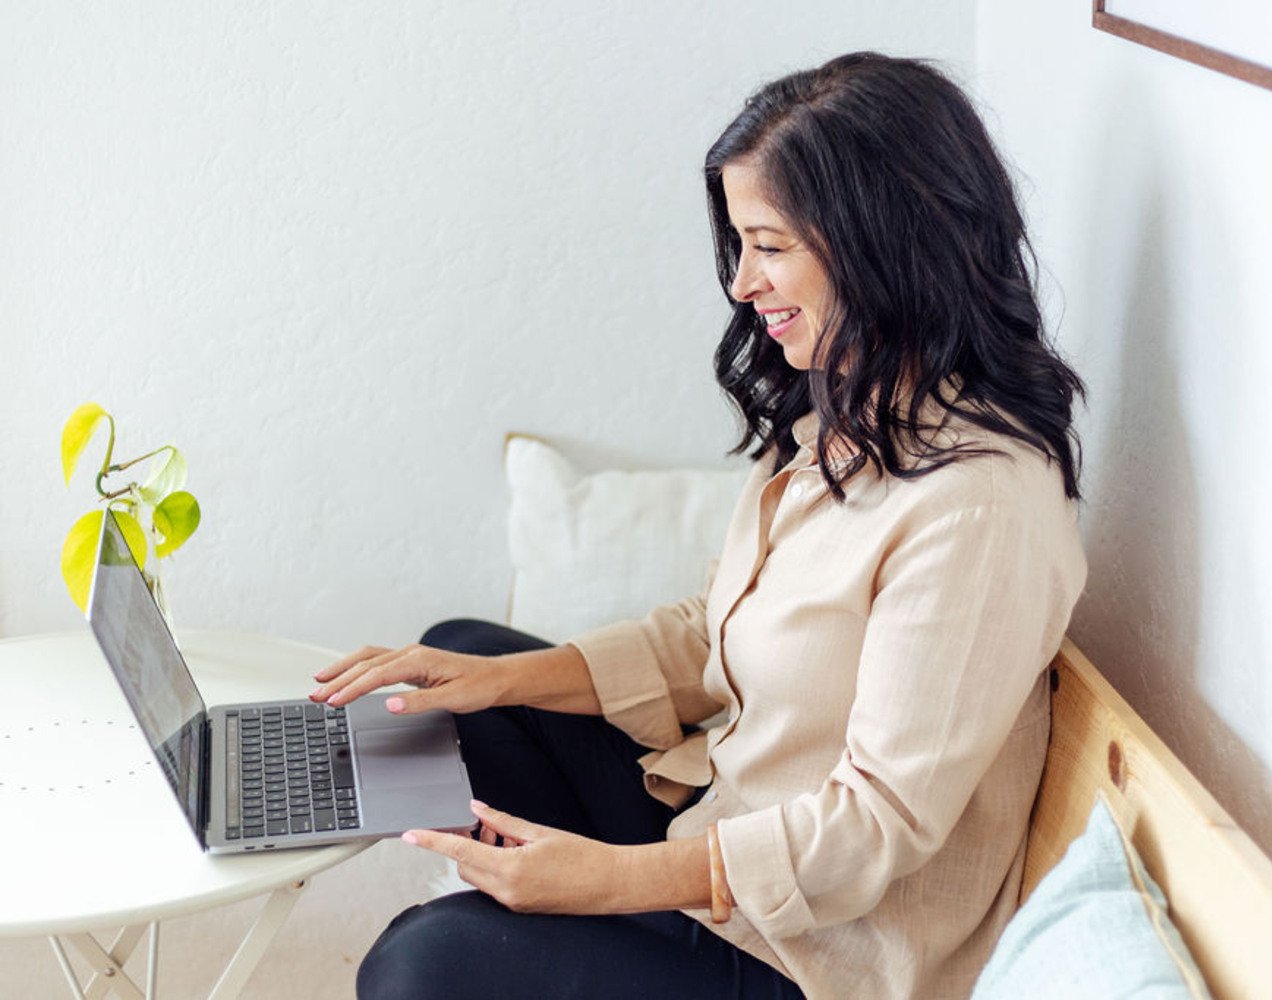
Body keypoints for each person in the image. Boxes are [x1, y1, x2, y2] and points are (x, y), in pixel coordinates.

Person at [310, 51, 1087, 1000]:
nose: (741, 283)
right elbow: (712, 626)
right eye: (741, 243)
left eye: (770, 244)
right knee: (454, 665)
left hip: (819, 952)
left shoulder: (977, 505)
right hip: (720, 830)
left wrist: (604, 881)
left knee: (420, 962)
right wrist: (496, 679)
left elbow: (874, 825)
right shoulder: (845, 410)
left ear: (884, 243)